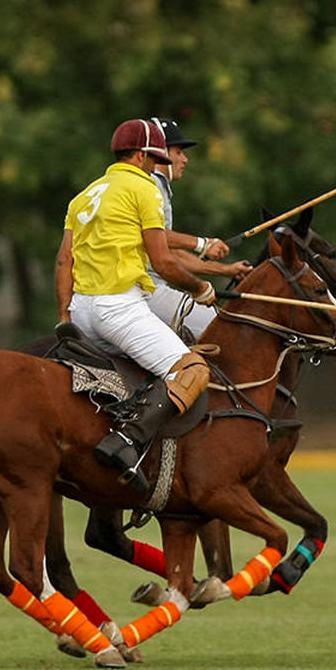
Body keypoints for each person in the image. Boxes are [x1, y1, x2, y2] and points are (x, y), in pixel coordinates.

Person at [54, 119, 217, 493]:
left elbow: (65, 261)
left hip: (81, 312)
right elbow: (162, 262)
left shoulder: (84, 195)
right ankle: (125, 441)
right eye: (156, 157)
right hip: (119, 310)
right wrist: (201, 287)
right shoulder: (145, 190)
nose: (157, 166)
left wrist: (64, 316)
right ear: (142, 156)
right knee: (192, 369)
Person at [143, 117, 253, 341]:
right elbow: (155, 235)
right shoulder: (152, 185)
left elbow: (170, 252)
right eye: (179, 152)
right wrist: (203, 244)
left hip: (145, 289)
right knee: (223, 333)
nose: (185, 159)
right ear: (161, 152)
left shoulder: (157, 186)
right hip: (145, 289)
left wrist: (226, 270)